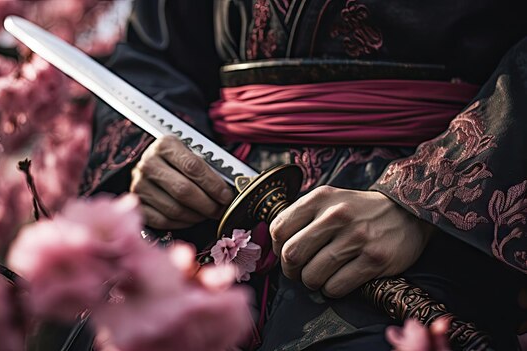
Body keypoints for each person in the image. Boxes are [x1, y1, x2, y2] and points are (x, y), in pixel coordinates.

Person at [81, 1, 527, 349]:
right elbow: (152, 52)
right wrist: (156, 156)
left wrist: (423, 198)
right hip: (212, 201)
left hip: (425, 222)